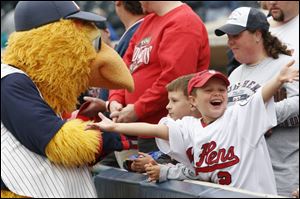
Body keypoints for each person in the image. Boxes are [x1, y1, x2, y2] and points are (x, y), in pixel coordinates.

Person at [86, 65, 299, 195]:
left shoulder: (239, 116)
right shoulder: (190, 127)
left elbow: (261, 95)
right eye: (209, 90)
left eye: (221, 89)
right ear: (193, 100)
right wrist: (115, 126)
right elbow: (154, 129)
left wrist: (278, 80)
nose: (217, 93)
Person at [214, 6, 299, 197]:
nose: (230, 42)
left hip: (281, 175)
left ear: (258, 34)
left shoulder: (287, 63)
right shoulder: (235, 73)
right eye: (228, 36)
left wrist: (265, 115)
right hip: (243, 175)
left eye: (235, 35)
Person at [107, 1, 210, 154]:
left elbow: (174, 81)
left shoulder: (184, 21)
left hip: (163, 133)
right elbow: (124, 68)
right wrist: (115, 100)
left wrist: (137, 109)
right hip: (134, 128)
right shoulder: (149, 20)